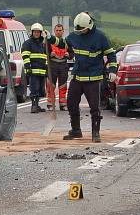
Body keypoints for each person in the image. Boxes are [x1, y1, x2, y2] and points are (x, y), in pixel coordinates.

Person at [49, 12, 117, 142]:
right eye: (78, 30)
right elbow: (63, 44)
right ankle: (76, 131)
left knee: (94, 108)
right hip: (78, 76)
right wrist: (50, 38)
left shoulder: (100, 37)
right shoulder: (75, 35)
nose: (80, 32)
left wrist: (112, 70)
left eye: (82, 30)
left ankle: (95, 133)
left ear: (90, 26)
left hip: (93, 78)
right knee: (71, 103)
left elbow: (111, 55)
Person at [21, 23, 48, 113]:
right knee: (34, 89)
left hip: (42, 71)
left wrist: (47, 68)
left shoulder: (43, 44)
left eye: (38, 32)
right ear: (32, 32)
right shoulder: (28, 43)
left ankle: (37, 105)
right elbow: (25, 56)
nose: (36, 33)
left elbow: (45, 57)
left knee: (41, 90)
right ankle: (33, 106)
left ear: (40, 33)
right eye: (35, 32)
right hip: (33, 71)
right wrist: (28, 68)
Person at [46, 24, 70, 111]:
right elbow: (44, 52)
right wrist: (49, 54)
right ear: (54, 31)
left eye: (60, 30)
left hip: (63, 65)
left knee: (63, 86)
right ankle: (50, 104)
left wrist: (69, 55)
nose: (58, 32)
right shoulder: (49, 41)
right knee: (51, 85)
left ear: (63, 31)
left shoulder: (66, 42)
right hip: (53, 65)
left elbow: (72, 53)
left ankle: (63, 104)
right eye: (57, 30)